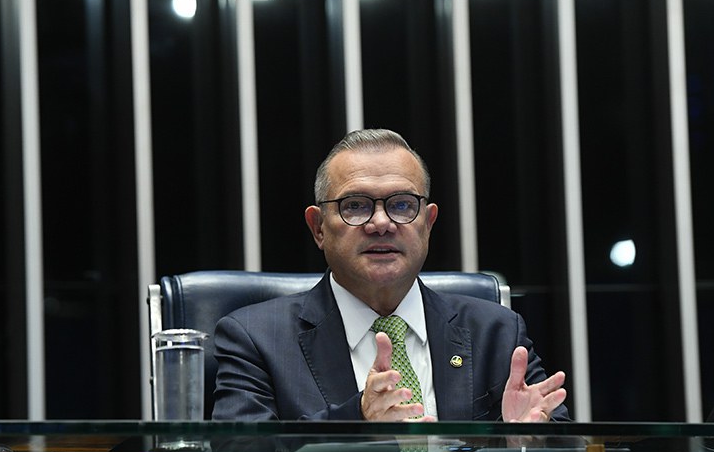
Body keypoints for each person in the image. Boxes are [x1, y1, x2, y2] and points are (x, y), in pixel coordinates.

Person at [212, 128, 568, 422]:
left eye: (401, 205)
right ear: (318, 227)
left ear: (427, 223)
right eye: (355, 206)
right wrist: (358, 419)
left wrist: (529, 443)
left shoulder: (496, 332)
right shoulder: (255, 340)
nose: (381, 223)